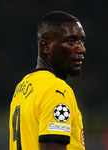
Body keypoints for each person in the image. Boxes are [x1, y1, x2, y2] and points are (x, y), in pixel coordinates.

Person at [9, 11, 86, 150]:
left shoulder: (24, 87)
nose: (81, 49)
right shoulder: (56, 91)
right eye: (71, 41)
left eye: (82, 41)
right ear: (46, 46)